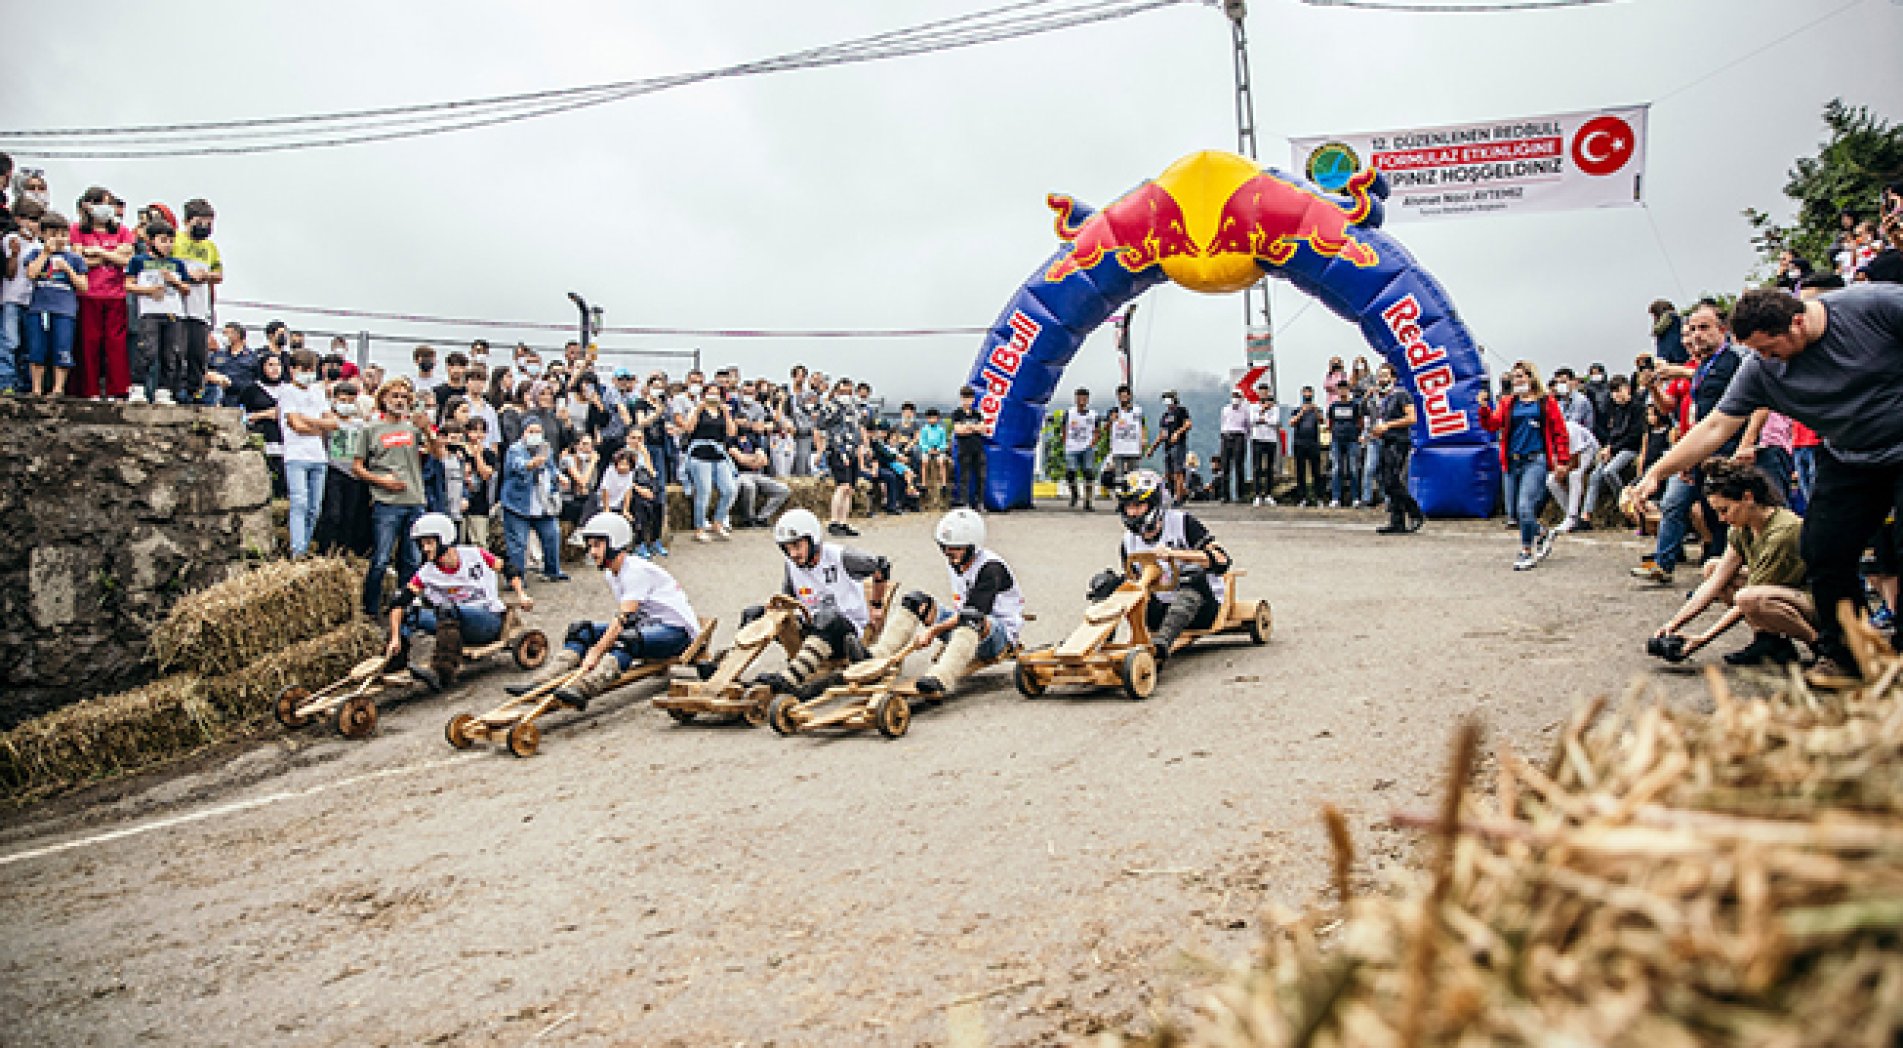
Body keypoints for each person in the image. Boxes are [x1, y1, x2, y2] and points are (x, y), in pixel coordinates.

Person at [1629, 285, 1903, 684]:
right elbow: (1715, 426)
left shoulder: (1873, 307)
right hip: (1849, 457)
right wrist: (1656, 472)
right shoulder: (1759, 368)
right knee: (1823, 550)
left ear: (1797, 322)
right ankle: (1848, 654)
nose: (1766, 360)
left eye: (1771, 350)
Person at [508, 513, 701, 709]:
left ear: (615, 543)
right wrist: (595, 645)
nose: (591, 552)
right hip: (646, 626)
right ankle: (542, 683)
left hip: (676, 633)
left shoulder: (635, 572)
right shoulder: (611, 573)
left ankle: (584, 688)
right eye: (590, 545)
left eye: (597, 545)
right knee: (581, 630)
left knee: (626, 640)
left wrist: (597, 651)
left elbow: (622, 619)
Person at [1645, 459, 1812, 667]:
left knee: (1748, 597)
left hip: (1818, 603)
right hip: (1787, 594)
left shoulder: (1782, 532)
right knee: (1713, 568)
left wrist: (1702, 639)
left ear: (1748, 498)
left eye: (1725, 510)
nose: (1722, 518)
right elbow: (1715, 582)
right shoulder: (1743, 526)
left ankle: (1821, 646)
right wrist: (1674, 624)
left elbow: (1748, 599)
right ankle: (1768, 641)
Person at [846, 508, 1025, 698]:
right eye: (945, 546)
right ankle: (876, 656)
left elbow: (973, 613)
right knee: (915, 601)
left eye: (955, 548)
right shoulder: (956, 560)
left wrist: (932, 631)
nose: (948, 552)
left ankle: (940, 677)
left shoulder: (991, 568)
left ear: (973, 546)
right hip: (963, 629)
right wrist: (936, 625)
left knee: (971, 618)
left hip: (997, 636)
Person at [1633, 302, 1743, 585]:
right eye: (1691, 330)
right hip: (1696, 447)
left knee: (1724, 515)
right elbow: (1670, 407)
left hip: (1728, 449)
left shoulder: (1732, 361)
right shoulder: (1701, 368)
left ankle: (1719, 573)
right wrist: (1654, 386)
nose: (1695, 335)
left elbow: (1749, 404)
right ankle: (1673, 562)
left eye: (1703, 328)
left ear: (1723, 330)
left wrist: (1748, 442)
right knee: (1693, 508)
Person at [751, 508, 895, 698]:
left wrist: (877, 606)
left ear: (813, 540)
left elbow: (881, 566)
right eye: (787, 547)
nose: (792, 553)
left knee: (826, 615)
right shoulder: (791, 565)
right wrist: (772, 612)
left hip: (845, 632)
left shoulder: (841, 556)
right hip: (811, 629)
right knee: (754, 614)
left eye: (796, 545)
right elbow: (788, 602)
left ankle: (791, 679)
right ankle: (726, 674)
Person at [383, 513, 533, 691]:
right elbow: (399, 602)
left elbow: (508, 568)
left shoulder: (474, 555)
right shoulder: (426, 572)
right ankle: (395, 665)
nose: (425, 549)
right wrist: (394, 637)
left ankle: (442, 672)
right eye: (422, 544)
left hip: (487, 620)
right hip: (451, 622)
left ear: (444, 539)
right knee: (409, 613)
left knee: (445, 608)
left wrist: (521, 594)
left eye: (429, 543)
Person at [1097, 469, 1232, 662]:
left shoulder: (1182, 522)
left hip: (1201, 610)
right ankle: (1098, 646)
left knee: (1191, 573)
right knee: (1106, 582)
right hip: (1158, 611)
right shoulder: (1128, 541)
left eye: (1138, 505)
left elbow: (1222, 561)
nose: (1132, 512)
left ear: (1154, 504)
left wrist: (1175, 554)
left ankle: (1161, 646)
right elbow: (1133, 581)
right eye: (1128, 506)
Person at [352, 378, 441, 618]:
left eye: (404, 396)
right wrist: (382, 482)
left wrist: (426, 430)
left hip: (414, 500)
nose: (400, 400)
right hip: (386, 503)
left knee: (412, 559)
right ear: (383, 399)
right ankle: (370, 609)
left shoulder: (414, 428)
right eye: (395, 396)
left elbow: (438, 454)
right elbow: (357, 467)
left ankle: (404, 607)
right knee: (380, 559)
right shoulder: (371, 429)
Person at [1480, 360, 1569, 570]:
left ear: (1531, 377)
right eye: (1514, 376)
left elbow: (1559, 431)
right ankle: (1540, 531)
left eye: (1521, 375)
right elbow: (1493, 424)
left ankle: (1526, 549)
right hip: (1513, 460)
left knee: (1525, 506)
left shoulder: (1545, 402)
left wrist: (1562, 460)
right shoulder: (1508, 403)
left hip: (1535, 459)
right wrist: (1484, 409)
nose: (1517, 379)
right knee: (1515, 512)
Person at [70, 187, 136, 400]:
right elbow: (79, 261)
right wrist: (111, 255)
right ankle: (90, 390)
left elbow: (127, 260)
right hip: (88, 294)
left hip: (116, 295)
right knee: (89, 342)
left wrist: (98, 253)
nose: (107, 208)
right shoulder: (77, 230)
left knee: (115, 344)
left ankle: (118, 389)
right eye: (102, 203)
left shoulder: (123, 231)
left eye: (110, 203)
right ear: (88, 206)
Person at [277, 350, 339, 558]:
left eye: (311, 370)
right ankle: (298, 550)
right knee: (299, 502)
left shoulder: (317, 392)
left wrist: (309, 421)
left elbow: (333, 423)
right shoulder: (287, 392)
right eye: (304, 370)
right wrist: (318, 426)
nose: (308, 374)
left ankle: (305, 545)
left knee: (314, 508)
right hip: (296, 455)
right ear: (292, 370)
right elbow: (296, 425)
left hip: (318, 457)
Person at [21, 211, 88, 397]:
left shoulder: (74, 259)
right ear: (43, 235)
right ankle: (36, 388)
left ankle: (58, 388)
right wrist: (45, 253)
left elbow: (83, 285)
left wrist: (68, 269)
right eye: (53, 234)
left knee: (63, 349)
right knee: (36, 349)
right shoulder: (34, 253)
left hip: (65, 310)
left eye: (63, 234)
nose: (59, 239)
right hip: (39, 308)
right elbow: (31, 274)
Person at [499, 418, 570, 584]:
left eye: (538, 431)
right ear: (523, 432)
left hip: (542, 502)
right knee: (518, 543)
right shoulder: (515, 449)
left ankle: (553, 570)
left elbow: (551, 468)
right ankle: (516, 578)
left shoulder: (545, 448)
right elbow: (518, 466)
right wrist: (532, 463)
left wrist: (560, 477)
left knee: (552, 535)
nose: (535, 435)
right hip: (517, 503)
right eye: (531, 431)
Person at [677, 383, 739, 542]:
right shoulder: (698, 410)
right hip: (700, 454)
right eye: (710, 393)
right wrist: (698, 409)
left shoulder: (723, 412)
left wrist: (726, 414)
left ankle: (717, 522)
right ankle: (699, 528)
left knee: (730, 489)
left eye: (716, 393)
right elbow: (689, 429)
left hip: (718, 454)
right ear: (704, 395)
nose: (713, 396)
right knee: (704, 492)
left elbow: (731, 433)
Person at [1369, 363, 1424, 535]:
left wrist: (1388, 425)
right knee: (1385, 479)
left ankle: (1414, 510)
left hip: (1399, 441)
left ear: (1393, 377)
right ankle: (1397, 520)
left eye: (1385, 375)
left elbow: (1412, 417)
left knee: (1392, 479)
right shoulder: (1382, 399)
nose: (1381, 378)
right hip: (1386, 440)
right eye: (1379, 375)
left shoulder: (1401, 395)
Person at [1589, 376, 1644, 525]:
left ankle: (1626, 505)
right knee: (1595, 476)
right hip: (1614, 448)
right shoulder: (1615, 410)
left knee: (1609, 471)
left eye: (1618, 391)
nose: (1616, 395)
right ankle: (1586, 514)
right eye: (1613, 392)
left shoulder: (1637, 408)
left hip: (1630, 448)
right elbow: (1612, 433)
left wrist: (1612, 448)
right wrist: (1607, 447)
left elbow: (1635, 435)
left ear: (1627, 389)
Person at [0, 199, 39, 393]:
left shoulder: (39, 244)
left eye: (37, 219)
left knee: (27, 344)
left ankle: (24, 386)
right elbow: (9, 273)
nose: (34, 223)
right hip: (11, 298)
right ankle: (6, 382)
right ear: (18, 219)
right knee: (10, 342)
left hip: (32, 299)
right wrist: (14, 255)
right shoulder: (11, 239)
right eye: (30, 219)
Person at [239, 353, 289, 497]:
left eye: (278, 365)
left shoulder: (289, 390)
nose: (275, 369)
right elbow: (241, 417)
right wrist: (265, 414)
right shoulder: (251, 390)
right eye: (270, 365)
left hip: (286, 443)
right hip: (262, 440)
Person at [1546, 419, 1600, 533]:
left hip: (1588, 450)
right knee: (1550, 480)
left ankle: (1571, 516)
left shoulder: (1570, 430)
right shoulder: (1546, 434)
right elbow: (1552, 458)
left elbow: (1576, 461)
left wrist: (1564, 471)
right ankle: (1571, 515)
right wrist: (1557, 471)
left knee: (1574, 475)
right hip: (1568, 456)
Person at [731, 428, 791, 526]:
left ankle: (762, 518)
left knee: (784, 490)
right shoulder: (731, 441)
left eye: (744, 422)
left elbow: (764, 461)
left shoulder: (752, 439)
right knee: (750, 487)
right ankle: (748, 520)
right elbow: (741, 459)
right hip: (740, 474)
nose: (742, 424)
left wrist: (751, 460)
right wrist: (754, 459)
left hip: (757, 474)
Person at [1058, 386, 1103, 510]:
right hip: (1072, 447)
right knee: (1070, 472)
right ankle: (1074, 493)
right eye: (1079, 398)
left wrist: (1093, 442)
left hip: (1087, 447)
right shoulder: (1069, 413)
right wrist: (1065, 441)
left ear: (1087, 400)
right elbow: (1063, 428)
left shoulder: (1093, 415)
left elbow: (1098, 430)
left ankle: (1088, 500)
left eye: (1084, 398)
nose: (1081, 400)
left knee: (1088, 472)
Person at [1149, 389, 1193, 503]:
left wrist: (1178, 433)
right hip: (1167, 446)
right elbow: (1162, 434)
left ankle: (1179, 498)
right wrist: (1153, 448)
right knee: (1169, 473)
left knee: (1178, 471)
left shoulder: (1181, 411)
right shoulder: (1165, 416)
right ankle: (1180, 492)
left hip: (1178, 445)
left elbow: (1188, 424)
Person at [950, 385, 987, 512]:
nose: (967, 401)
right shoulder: (957, 413)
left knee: (980, 476)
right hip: (964, 449)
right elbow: (958, 431)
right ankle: (964, 502)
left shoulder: (977, 413)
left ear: (973, 399)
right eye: (965, 398)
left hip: (978, 448)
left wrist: (968, 427)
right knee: (964, 477)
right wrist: (973, 427)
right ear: (961, 399)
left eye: (970, 398)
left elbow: (983, 428)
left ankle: (980, 502)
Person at [1325, 382, 1363, 508]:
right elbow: (1329, 422)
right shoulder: (1333, 406)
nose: (1342, 391)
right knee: (1336, 469)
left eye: (1344, 389)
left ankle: (1355, 498)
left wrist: (1357, 434)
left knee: (1353, 469)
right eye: (1340, 389)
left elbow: (1360, 421)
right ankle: (1336, 498)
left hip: (1352, 440)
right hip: (1336, 439)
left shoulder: (1354, 405)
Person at [1104, 384, 1147, 492]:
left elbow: (1142, 426)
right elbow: (1105, 428)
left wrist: (1143, 440)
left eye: (1125, 396)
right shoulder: (1114, 411)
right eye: (1121, 396)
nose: (1123, 398)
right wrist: (1111, 420)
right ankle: (1121, 501)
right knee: (1119, 477)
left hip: (1133, 447)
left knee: (1134, 476)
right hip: (1119, 448)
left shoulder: (1137, 410)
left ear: (1130, 396)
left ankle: (1133, 499)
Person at [1286, 387, 1323, 507]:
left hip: (1313, 443)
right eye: (1305, 394)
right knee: (1300, 472)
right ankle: (1302, 497)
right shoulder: (1296, 410)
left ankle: (1319, 497)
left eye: (1309, 394)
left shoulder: (1317, 410)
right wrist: (1302, 412)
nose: (1307, 396)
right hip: (1299, 443)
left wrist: (1315, 410)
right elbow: (1291, 423)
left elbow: (1322, 421)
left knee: (1316, 471)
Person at [1218, 389, 1252, 503]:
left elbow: (1248, 426)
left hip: (1239, 436)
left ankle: (1240, 494)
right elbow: (1223, 423)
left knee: (1239, 465)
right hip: (1226, 435)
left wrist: (1244, 437)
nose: (1235, 398)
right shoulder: (1225, 409)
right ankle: (1225, 495)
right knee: (1225, 466)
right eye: (1234, 396)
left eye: (1238, 396)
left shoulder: (1245, 411)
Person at [1248, 385, 1278, 507]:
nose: (1263, 394)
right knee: (1257, 467)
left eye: (1265, 392)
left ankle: (1269, 494)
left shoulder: (1275, 408)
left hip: (1270, 439)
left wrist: (1263, 419)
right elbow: (1252, 420)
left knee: (1270, 468)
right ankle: (1257, 495)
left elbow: (1275, 421)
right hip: (1257, 438)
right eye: (1261, 392)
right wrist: (1262, 411)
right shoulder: (1253, 406)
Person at [918, 406, 950, 500]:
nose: (932, 420)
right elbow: (922, 442)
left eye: (934, 418)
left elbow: (943, 442)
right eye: (930, 418)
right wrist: (928, 449)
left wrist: (939, 449)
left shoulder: (941, 429)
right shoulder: (924, 429)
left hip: (938, 450)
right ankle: (924, 484)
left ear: (937, 418)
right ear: (927, 419)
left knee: (941, 462)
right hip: (927, 450)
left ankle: (943, 484)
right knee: (924, 462)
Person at [1649, 299, 1687, 365]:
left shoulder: (1669, 316)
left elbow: (1656, 330)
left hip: (1673, 354)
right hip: (1674, 354)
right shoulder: (1676, 318)